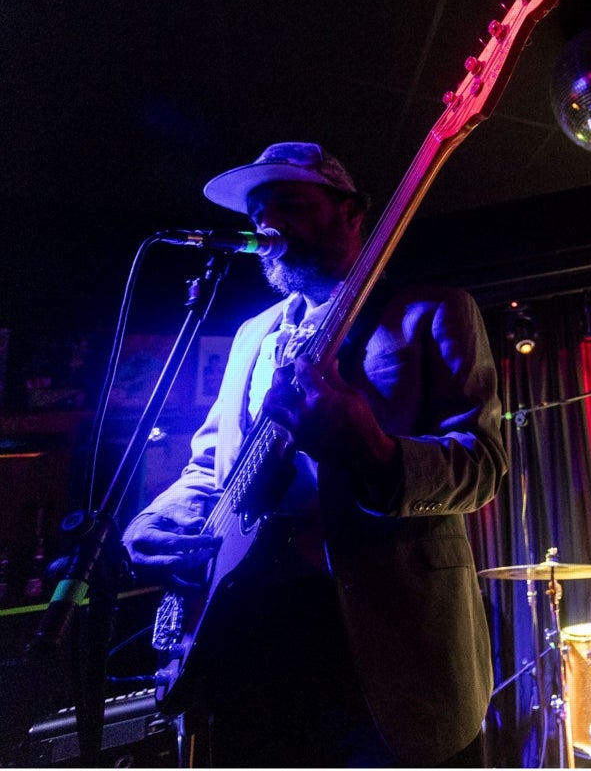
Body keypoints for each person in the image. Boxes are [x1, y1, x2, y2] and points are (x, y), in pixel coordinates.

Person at [121, 142, 506, 767]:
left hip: (389, 641)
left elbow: (483, 465)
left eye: (291, 206)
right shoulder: (252, 335)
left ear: (353, 214)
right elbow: (206, 467)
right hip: (253, 633)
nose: (268, 227)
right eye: (258, 215)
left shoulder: (432, 312)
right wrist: (152, 522)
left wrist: (378, 455)